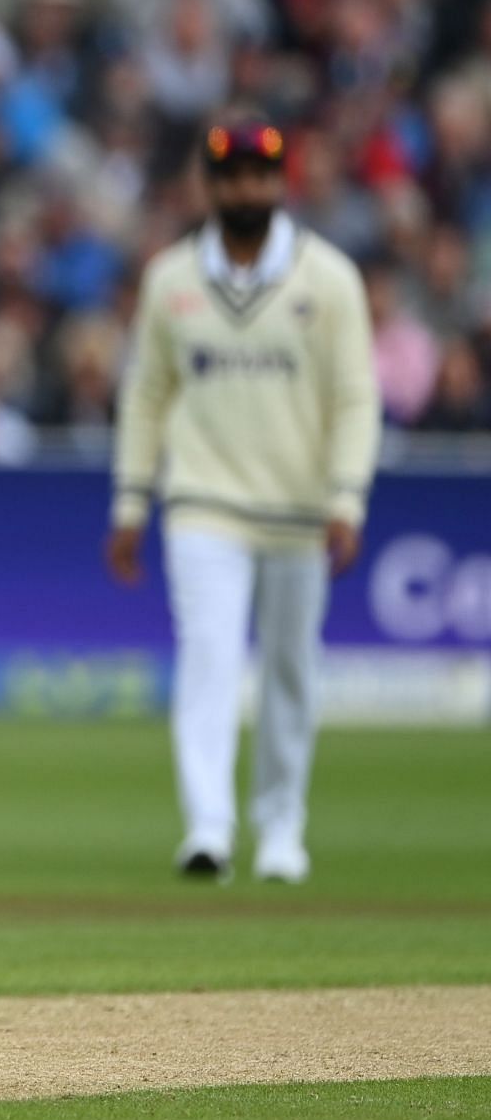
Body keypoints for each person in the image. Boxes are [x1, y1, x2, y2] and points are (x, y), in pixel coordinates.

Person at [106, 120, 379, 885]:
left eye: (260, 176)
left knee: (291, 669)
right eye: (230, 178)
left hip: (297, 507)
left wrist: (346, 496)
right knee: (209, 658)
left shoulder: (327, 280)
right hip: (203, 501)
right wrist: (131, 503)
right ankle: (208, 829)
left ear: (280, 182)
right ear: (210, 185)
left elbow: (357, 397)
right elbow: (146, 395)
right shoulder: (172, 279)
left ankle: (283, 826)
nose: (245, 191)